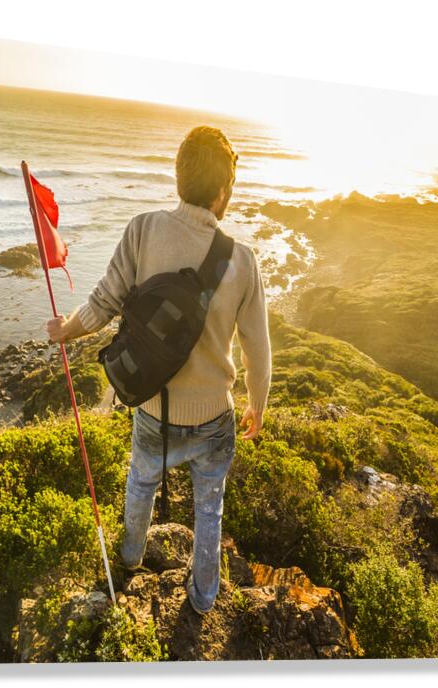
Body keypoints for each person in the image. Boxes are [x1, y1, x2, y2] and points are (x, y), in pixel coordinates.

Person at [46, 125, 272, 614]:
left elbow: (103, 303)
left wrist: (65, 328)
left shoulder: (143, 229)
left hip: (153, 407)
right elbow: (258, 347)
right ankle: (204, 598)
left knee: (141, 483)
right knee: (209, 508)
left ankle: (127, 562)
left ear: (178, 178)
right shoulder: (244, 261)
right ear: (222, 191)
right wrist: (258, 404)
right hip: (215, 416)